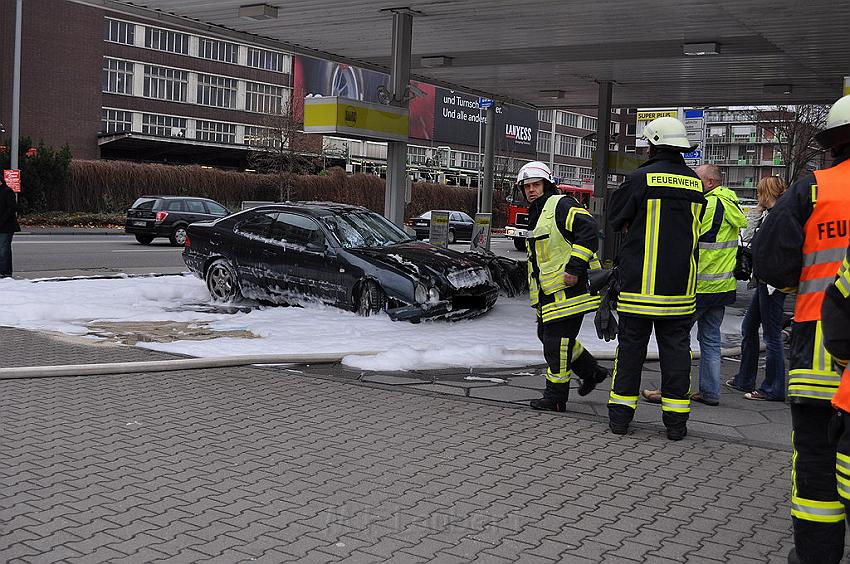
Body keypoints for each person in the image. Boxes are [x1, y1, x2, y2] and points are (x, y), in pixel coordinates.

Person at [753, 94, 850, 564]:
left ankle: (816, 556)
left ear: (832, 142)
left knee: (815, 458)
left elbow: (773, 259)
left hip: (819, 349)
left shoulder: (813, 189)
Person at [606, 116, 707, 441]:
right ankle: (676, 424)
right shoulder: (694, 182)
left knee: (631, 351)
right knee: (677, 355)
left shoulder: (640, 178)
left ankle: (621, 419)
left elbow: (614, 219)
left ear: (653, 144)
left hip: (639, 287)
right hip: (680, 289)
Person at [641, 163, 747, 407]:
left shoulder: (708, 204)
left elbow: (688, 236)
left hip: (699, 286)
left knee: (676, 339)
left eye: (697, 180)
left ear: (710, 182)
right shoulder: (731, 203)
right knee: (710, 340)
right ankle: (710, 393)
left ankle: (673, 391)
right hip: (722, 287)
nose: (693, 184)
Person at [518, 161, 609, 412]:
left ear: (547, 185)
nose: (531, 190)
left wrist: (574, 268)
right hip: (551, 293)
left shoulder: (561, 204)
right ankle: (592, 372)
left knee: (555, 343)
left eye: (536, 185)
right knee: (548, 337)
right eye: (527, 187)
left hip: (571, 290)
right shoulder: (538, 212)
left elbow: (589, 230)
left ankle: (556, 397)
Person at [726, 176, 788, 401]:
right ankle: (745, 379)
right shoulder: (772, 215)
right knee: (749, 327)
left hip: (771, 283)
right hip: (766, 280)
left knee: (771, 336)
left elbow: (754, 241)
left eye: (759, 192)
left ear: (765, 192)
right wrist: (756, 214)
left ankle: (773, 388)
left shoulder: (778, 217)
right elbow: (749, 237)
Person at [0, 176, 20, 277]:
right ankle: (5, 270)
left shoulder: (7, 191)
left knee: (4, 249)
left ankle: (4, 271)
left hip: (6, 226)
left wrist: (2, 220)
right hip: (3, 225)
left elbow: (12, 208)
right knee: (4, 248)